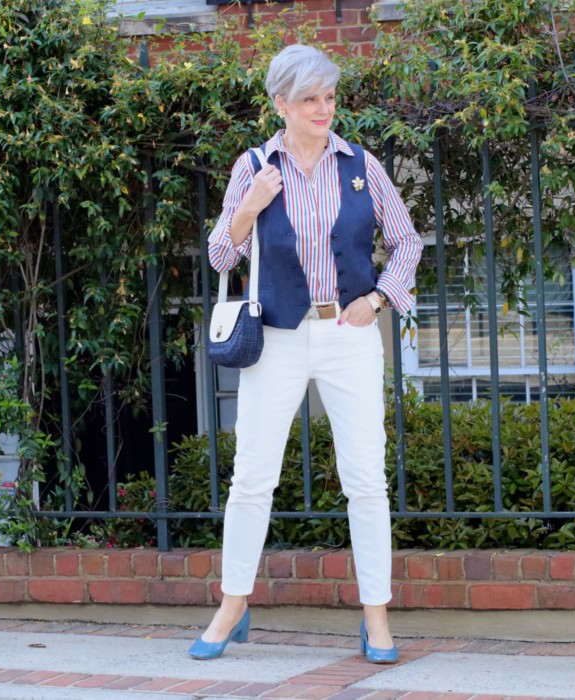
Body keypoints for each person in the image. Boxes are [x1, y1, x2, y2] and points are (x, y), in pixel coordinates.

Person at [188, 44, 422, 663]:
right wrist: (249, 207)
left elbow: (407, 242)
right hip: (279, 337)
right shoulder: (255, 165)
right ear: (281, 103)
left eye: (330, 96)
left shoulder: (361, 165)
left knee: (366, 481)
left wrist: (377, 300)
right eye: (311, 98)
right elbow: (220, 256)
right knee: (252, 479)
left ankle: (376, 618)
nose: (325, 108)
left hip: (348, 336)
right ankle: (232, 606)